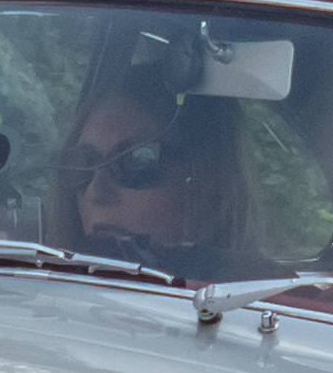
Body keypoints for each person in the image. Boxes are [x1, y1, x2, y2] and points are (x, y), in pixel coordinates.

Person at [49, 86, 272, 284]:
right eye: (83, 163)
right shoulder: (41, 292)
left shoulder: (275, 306)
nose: (96, 192)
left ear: (209, 183)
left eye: (137, 163)